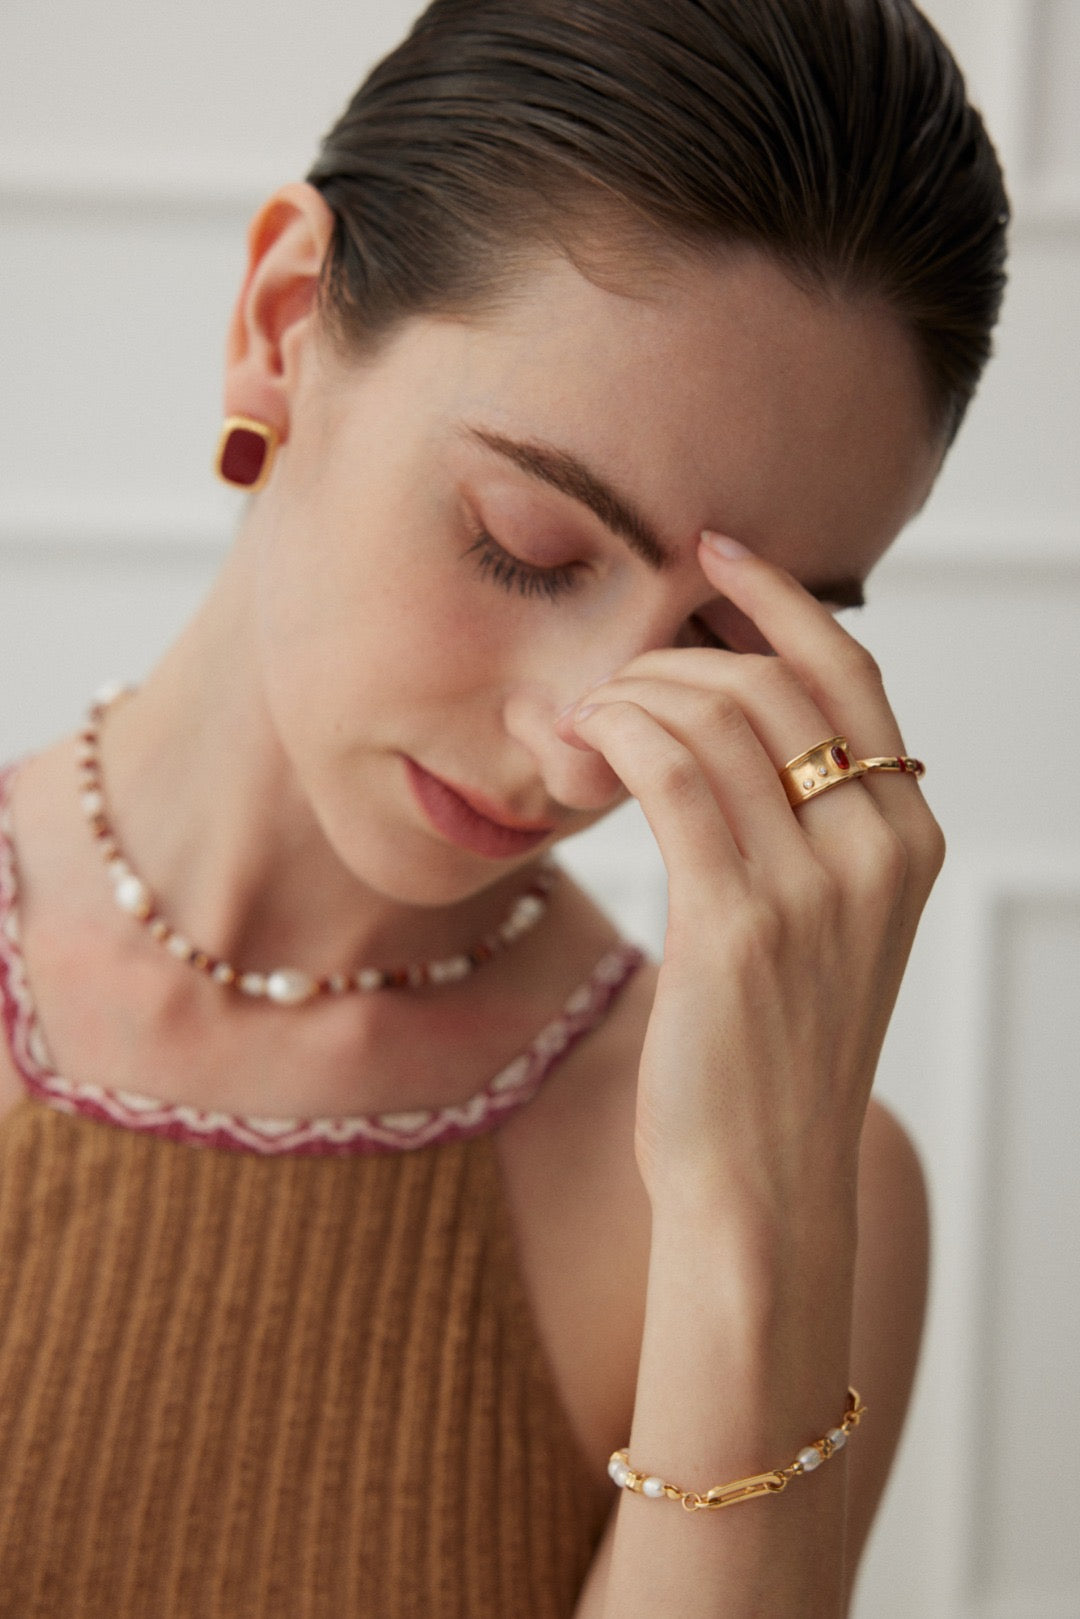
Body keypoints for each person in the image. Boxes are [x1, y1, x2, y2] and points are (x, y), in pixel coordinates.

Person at [0, 1, 1007, 1614]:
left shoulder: (802, 1191)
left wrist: (754, 1212)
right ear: (281, 322)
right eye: (528, 542)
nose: (591, 748)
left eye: (731, 644)